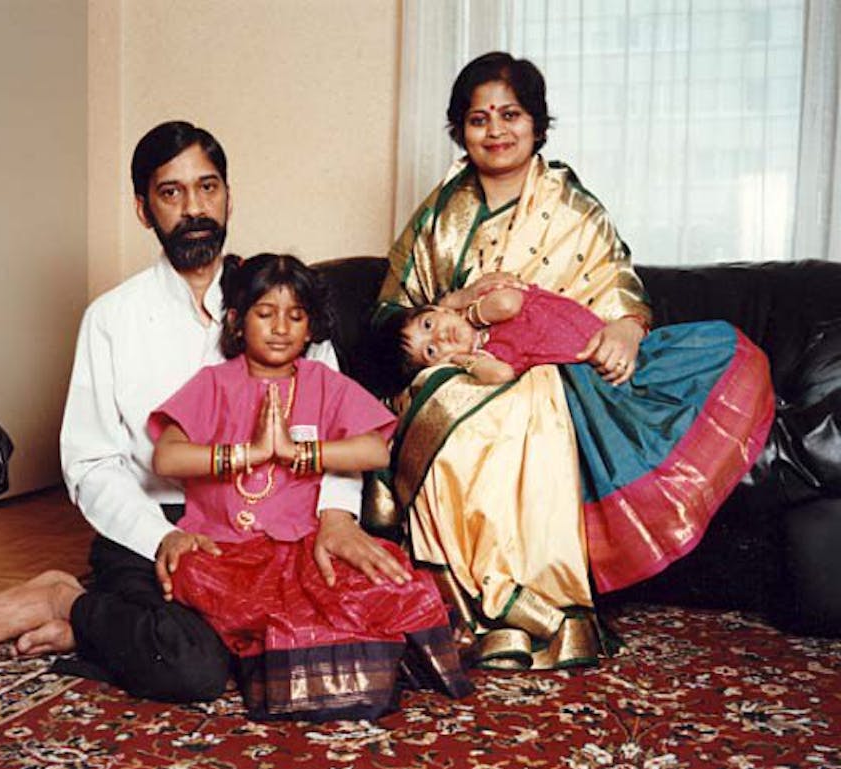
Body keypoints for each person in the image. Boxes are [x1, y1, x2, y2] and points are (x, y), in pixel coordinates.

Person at [0, 121, 409, 703]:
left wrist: (338, 516)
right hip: (156, 521)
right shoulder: (111, 319)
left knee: (336, 637)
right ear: (144, 210)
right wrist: (160, 537)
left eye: (208, 187)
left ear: (228, 196)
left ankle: (96, 628)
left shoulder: (281, 306)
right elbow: (91, 463)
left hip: (277, 527)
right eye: (172, 193)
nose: (195, 208)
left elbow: (336, 419)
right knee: (192, 669)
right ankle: (66, 599)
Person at [371, 51, 769, 670]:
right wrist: (455, 317)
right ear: (460, 129)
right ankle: (481, 606)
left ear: (536, 123)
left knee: (533, 403)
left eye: (510, 115)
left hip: (559, 376)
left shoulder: (573, 209)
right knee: (468, 415)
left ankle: (532, 606)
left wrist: (627, 329)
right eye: (478, 119)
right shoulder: (438, 218)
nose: (496, 131)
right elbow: (394, 316)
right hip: (463, 376)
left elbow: (617, 294)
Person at [148, 252, 471, 721]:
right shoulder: (214, 383)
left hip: (302, 546)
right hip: (225, 551)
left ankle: (325, 654)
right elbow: (167, 456)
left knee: (385, 584)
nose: (281, 328)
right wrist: (250, 453)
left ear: (310, 327)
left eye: (296, 316)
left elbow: (374, 451)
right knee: (200, 579)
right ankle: (323, 655)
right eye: (266, 313)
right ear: (236, 321)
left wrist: (299, 453)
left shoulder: (322, 382)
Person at [380, 282, 774, 594]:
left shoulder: (490, 306)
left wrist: (461, 306)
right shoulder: (492, 353)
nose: (441, 337)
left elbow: (508, 302)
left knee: (719, 346)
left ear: (440, 309)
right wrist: (463, 358)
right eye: (431, 351)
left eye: (429, 324)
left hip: (614, 353)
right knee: (623, 441)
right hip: (588, 381)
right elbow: (498, 375)